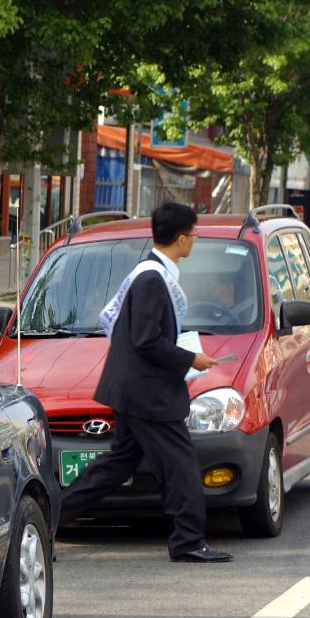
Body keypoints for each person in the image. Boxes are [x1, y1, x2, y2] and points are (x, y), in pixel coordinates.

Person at [60, 202, 229, 563]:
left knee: (116, 465)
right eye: (195, 235)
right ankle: (188, 540)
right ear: (182, 238)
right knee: (182, 464)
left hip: (133, 389)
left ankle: (47, 520)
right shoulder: (153, 279)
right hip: (148, 394)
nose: (195, 242)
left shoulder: (148, 272)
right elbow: (146, 340)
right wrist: (190, 359)